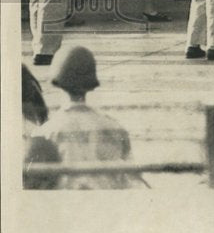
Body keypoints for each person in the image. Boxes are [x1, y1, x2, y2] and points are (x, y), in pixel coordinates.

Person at [38, 46, 143, 189]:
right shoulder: (114, 127)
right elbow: (132, 177)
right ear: (92, 83)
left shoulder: (46, 132)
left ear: (57, 82)